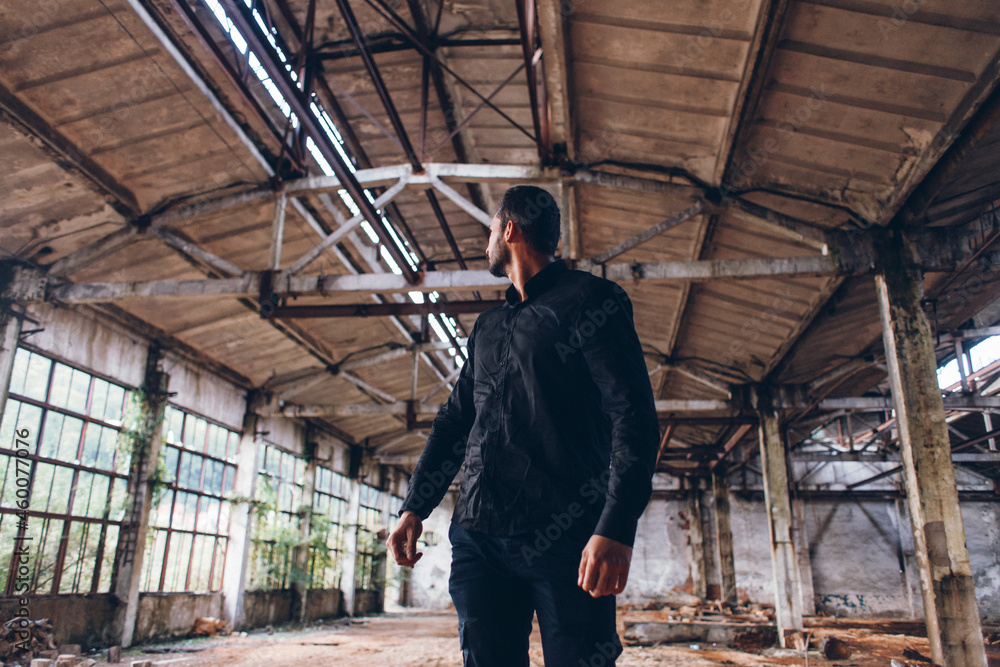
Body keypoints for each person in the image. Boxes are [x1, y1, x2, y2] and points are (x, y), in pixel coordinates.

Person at [386, 185, 658, 667]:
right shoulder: (489, 326)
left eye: (491, 229)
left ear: (509, 229)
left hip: (567, 537)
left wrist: (616, 525)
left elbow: (632, 416)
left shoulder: (592, 300)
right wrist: (415, 507)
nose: (486, 241)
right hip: (479, 537)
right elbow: (455, 423)